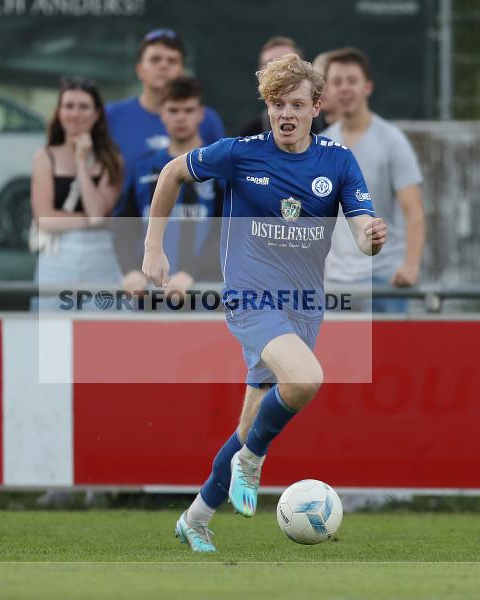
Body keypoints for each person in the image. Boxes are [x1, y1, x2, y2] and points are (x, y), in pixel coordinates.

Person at [141, 54, 387, 552]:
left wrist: (372, 240)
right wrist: (153, 246)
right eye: (277, 104)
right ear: (268, 107)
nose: (286, 114)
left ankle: (195, 518)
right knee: (306, 379)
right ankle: (251, 463)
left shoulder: (337, 160)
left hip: (303, 306)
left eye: (297, 104)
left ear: (317, 106)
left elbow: (362, 229)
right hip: (250, 298)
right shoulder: (240, 153)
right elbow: (170, 174)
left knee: (250, 424)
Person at [321, 48, 425, 313]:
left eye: (352, 81)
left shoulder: (392, 141)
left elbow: (414, 212)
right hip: (335, 284)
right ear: (328, 90)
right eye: (337, 82)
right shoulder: (321, 146)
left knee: (388, 356)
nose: (344, 89)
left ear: (367, 87)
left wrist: (410, 267)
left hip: (382, 279)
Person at [115, 76, 223, 300]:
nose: (181, 118)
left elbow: (228, 232)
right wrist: (130, 270)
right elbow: (124, 227)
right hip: (149, 296)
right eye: (173, 110)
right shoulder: (143, 166)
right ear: (162, 114)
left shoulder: (220, 167)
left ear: (201, 114)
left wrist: (192, 273)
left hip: (206, 294)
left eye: (188, 110)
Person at [30, 77, 123, 311]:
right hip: (56, 259)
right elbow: (46, 219)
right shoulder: (45, 156)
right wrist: (91, 222)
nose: (75, 113)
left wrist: (82, 162)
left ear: (96, 113)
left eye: (83, 107)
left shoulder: (112, 160)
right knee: (52, 333)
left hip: (101, 259)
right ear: (59, 112)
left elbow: (98, 212)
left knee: (103, 334)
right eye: (69, 106)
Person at [106, 29, 224, 200]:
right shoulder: (111, 116)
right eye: (155, 59)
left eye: (172, 60)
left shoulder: (207, 119)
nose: (163, 65)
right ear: (139, 69)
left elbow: (221, 180)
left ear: (182, 70)